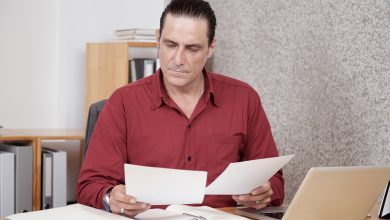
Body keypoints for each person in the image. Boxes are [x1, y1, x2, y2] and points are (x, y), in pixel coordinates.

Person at [76, 0, 284, 217]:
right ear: (158, 39)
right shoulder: (123, 102)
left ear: (211, 47)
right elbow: (89, 185)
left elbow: (275, 183)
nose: (178, 59)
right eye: (170, 45)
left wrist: (263, 192)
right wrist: (110, 197)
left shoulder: (244, 99)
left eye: (192, 49)